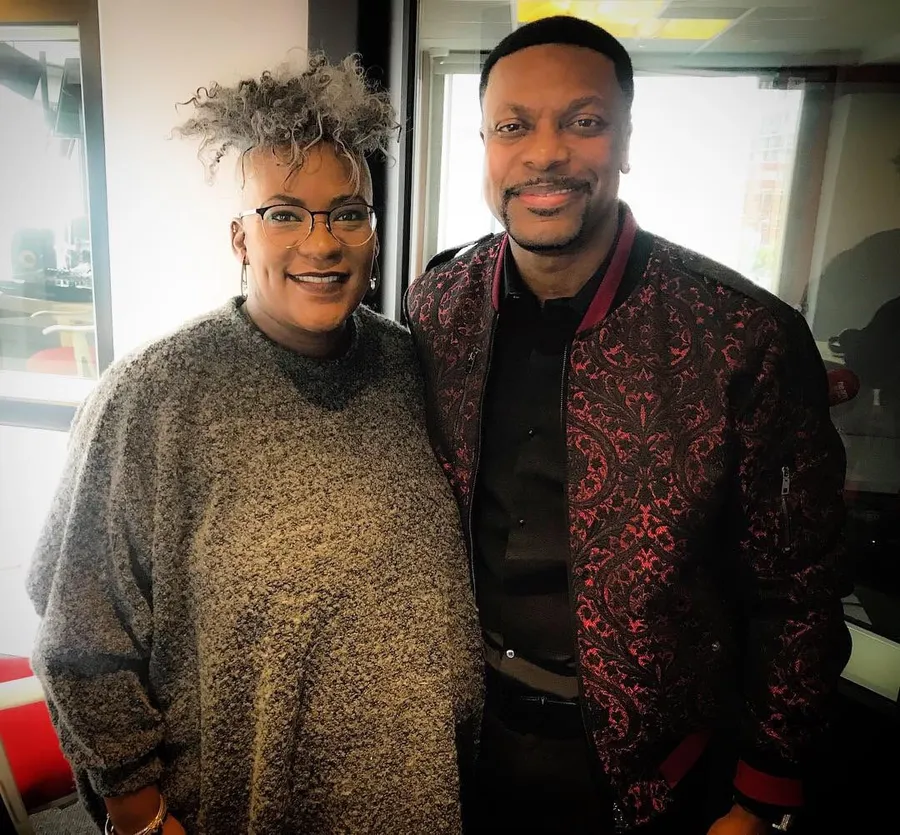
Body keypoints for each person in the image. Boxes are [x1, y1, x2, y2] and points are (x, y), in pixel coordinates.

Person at [405, 16, 852, 835]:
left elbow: (799, 589)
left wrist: (761, 794)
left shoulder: (739, 334)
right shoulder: (437, 304)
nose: (545, 153)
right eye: (514, 126)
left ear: (626, 140)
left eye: (584, 121)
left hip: (658, 775)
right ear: (486, 145)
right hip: (458, 744)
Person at [27, 55, 483, 835]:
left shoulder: (412, 369)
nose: (322, 242)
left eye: (347, 214)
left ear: (373, 235)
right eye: (284, 213)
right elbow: (79, 628)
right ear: (240, 236)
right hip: (241, 808)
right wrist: (137, 812)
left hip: (422, 803)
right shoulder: (156, 393)